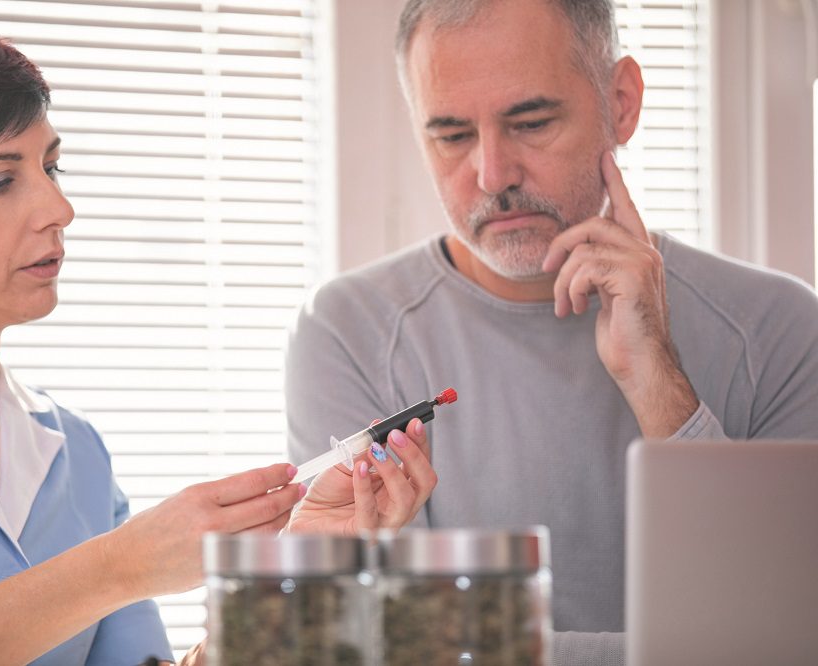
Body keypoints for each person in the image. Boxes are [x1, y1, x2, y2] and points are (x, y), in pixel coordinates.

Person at [0, 26, 437, 665]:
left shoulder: (76, 451)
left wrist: (294, 579)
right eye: (0, 180)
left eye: (51, 167)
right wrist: (118, 567)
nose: (59, 207)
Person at [285, 1, 818, 664]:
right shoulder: (346, 332)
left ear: (620, 103)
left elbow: (785, 636)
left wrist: (658, 381)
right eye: (451, 135)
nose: (491, 175)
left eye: (531, 122)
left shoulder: (783, 330)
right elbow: (376, 646)